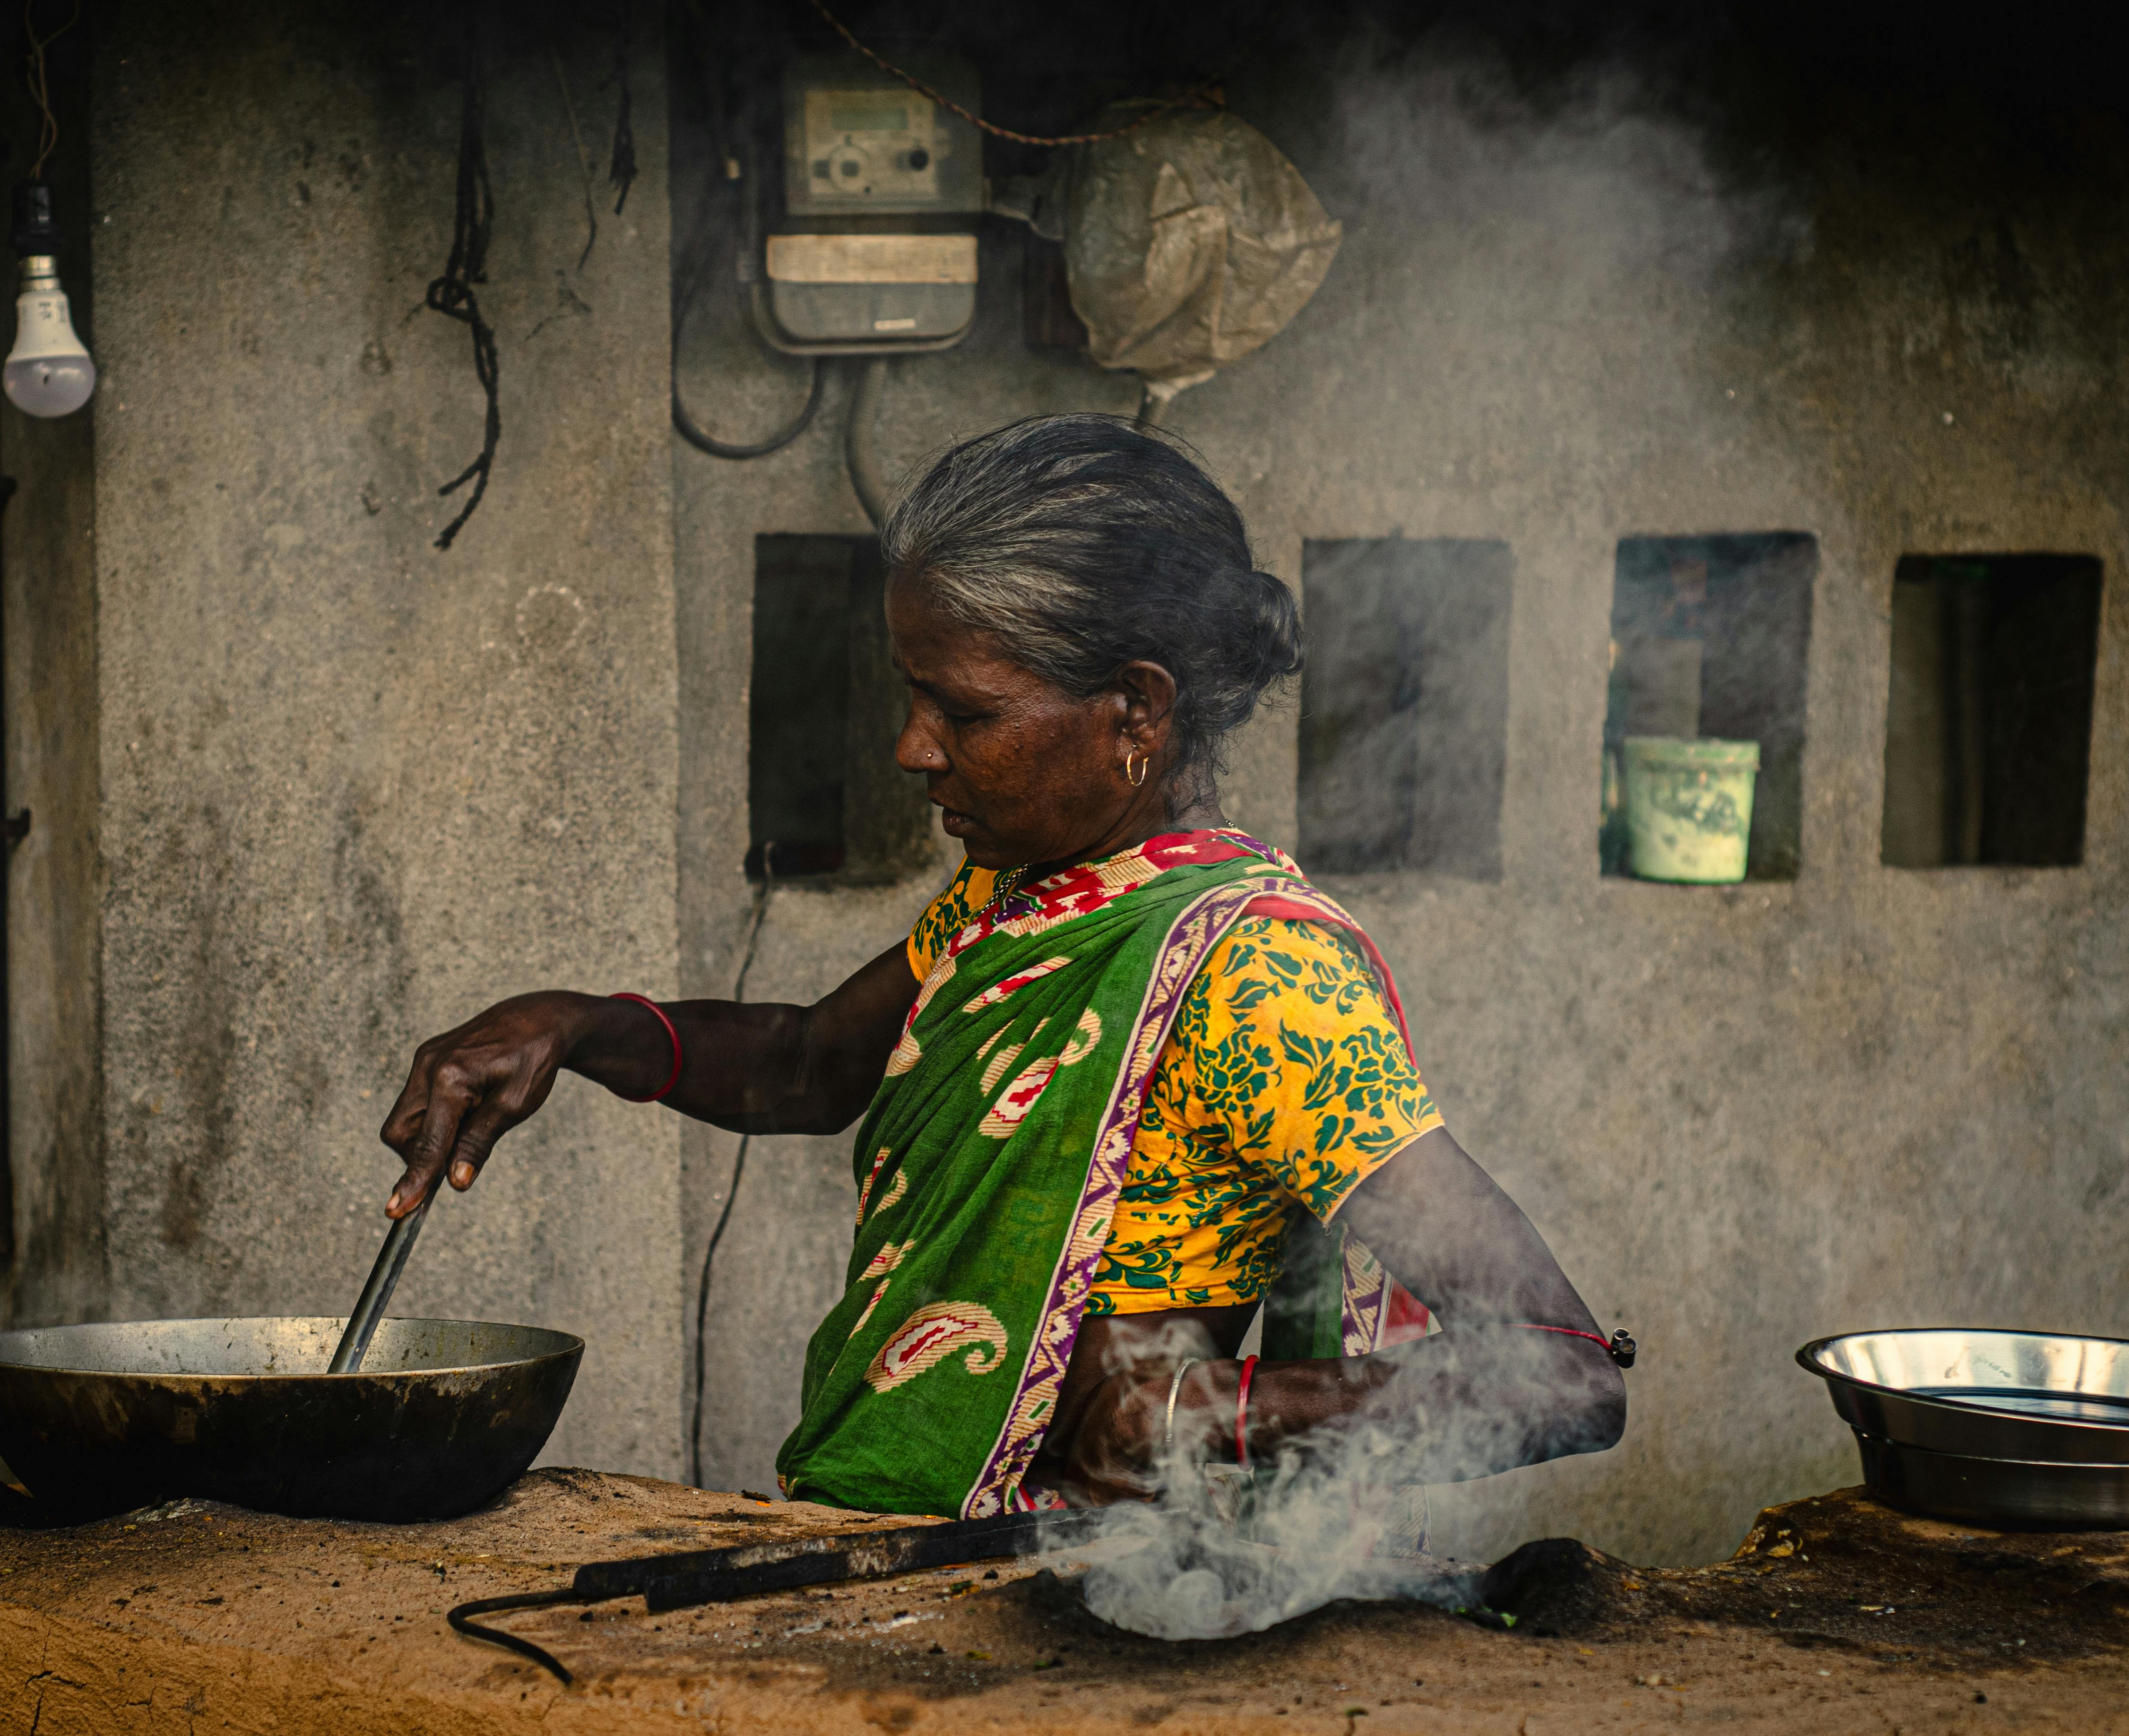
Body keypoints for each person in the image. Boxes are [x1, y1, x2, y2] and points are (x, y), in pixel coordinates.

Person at [381, 414, 1625, 1519]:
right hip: (907, 1554)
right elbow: (815, 1061)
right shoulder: (1016, 894)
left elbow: (1562, 1368)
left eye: (963, 711)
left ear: (1136, 709)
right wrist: (584, 1025)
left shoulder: (1257, 980)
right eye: (914, 695)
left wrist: (1202, 1414)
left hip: (1092, 1614)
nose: (915, 747)